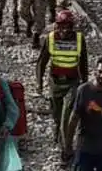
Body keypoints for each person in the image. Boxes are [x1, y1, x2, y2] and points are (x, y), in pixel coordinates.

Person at [63, 56, 102, 170]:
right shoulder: (83, 90)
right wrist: (68, 145)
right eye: (100, 72)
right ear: (95, 71)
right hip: (85, 148)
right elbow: (74, 119)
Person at [36, 10, 88, 147]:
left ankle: (66, 150)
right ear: (57, 26)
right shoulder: (51, 38)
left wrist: (85, 84)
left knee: (67, 116)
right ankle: (58, 132)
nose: (65, 29)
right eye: (62, 26)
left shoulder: (79, 39)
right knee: (57, 114)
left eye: (68, 26)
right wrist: (39, 83)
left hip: (72, 82)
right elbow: (42, 62)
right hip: (55, 82)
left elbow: (83, 63)